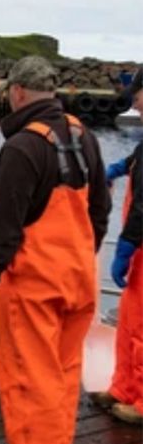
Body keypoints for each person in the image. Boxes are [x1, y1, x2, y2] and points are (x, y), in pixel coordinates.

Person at [0, 56, 111, 444]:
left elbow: (4, 230)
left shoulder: (22, 148)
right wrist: (81, 255)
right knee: (62, 379)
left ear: (17, 92)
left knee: (31, 386)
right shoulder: (85, 137)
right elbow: (101, 211)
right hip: (79, 284)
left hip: (35, 292)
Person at [90, 70, 143, 424]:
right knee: (128, 321)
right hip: (139, 244)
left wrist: (125, 246)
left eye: (138, 95)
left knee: (142, 326)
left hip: (139, 238)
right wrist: (121, 167)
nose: (134, 102)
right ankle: (123, 388)